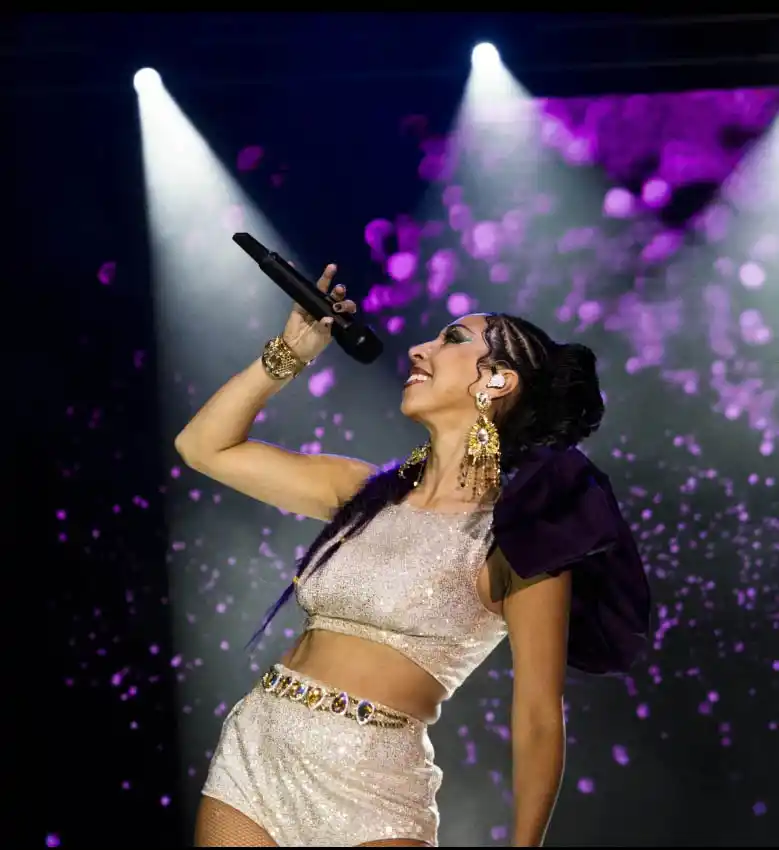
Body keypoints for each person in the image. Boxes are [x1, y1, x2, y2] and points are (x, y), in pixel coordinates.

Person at [175, 263, 651, 848]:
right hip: (258, 753)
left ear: (498, 380)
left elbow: (537, 719)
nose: (419, 349)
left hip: (374, 785)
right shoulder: (361, 493)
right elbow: (202, 446)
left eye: (452, 339)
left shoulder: (523, 536)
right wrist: (290, 353)